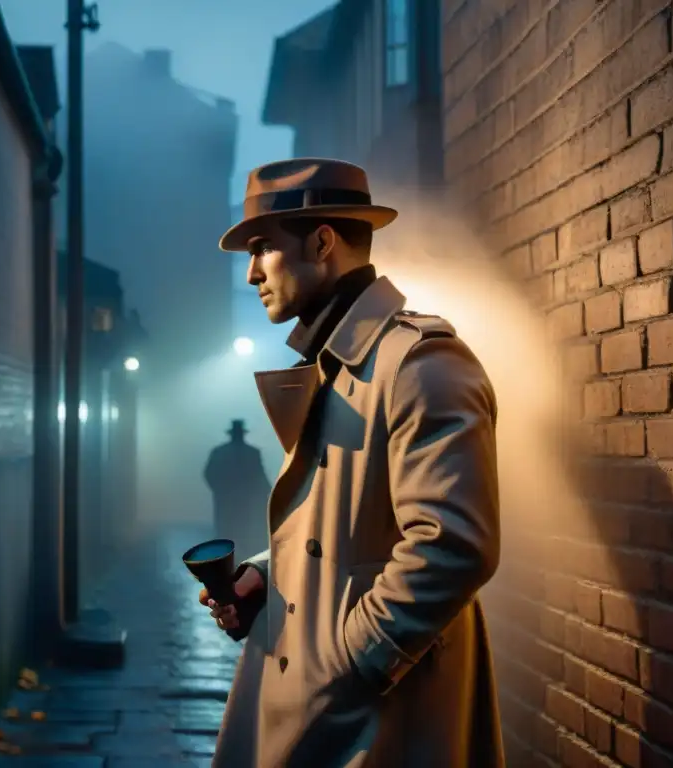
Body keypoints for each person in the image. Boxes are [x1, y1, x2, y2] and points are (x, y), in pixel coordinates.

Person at [198, 158, 503, 767]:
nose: (252, 272)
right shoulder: (340, 361)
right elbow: (338, 527)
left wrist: (352, 661)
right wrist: (268, 575)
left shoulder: (419, 363)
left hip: (377, 718)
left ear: (321, 241)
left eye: (263, 248)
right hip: (322, 696)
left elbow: (453, 546)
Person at [203, 420, 272, 561]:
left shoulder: (219, 452)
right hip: (242, 499)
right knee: (240, 526)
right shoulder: (252, 453)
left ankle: (225, 558)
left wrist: (220, 490)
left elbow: (209, 473)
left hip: (228, 499)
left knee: (227, 526)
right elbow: (260, 476)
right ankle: (239, 558)